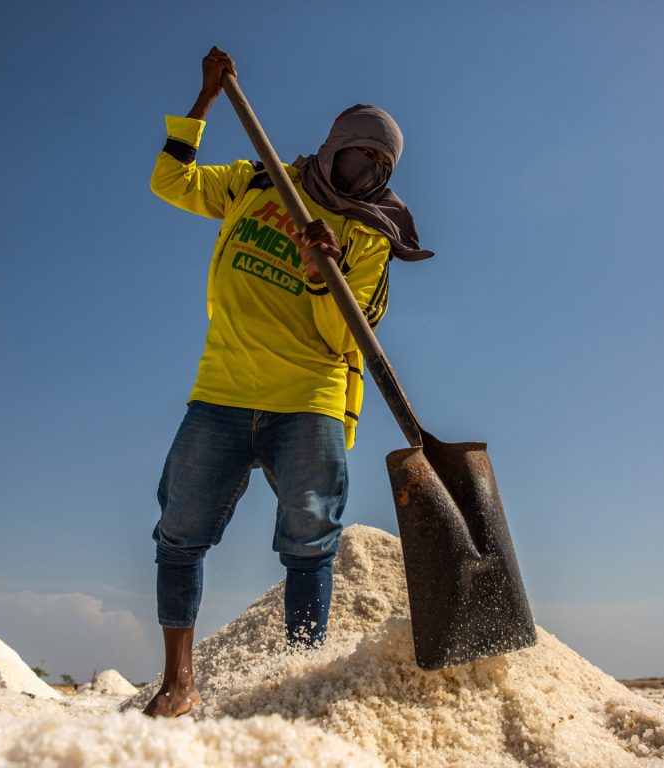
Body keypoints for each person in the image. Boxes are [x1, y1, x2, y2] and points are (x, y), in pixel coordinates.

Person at [143, 47, 431, 717]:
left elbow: (343, 337)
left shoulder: (368, 238)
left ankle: (299, 687)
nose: (370, 171)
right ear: (335, 146)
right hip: (219, 393)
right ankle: (178, 684)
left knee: (308, 544)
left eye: (384, 167)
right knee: (179, 535)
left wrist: (317, 266)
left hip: (309, 404)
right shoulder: (256, 182)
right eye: (363, 154)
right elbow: (170, 182)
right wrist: (207, 101)